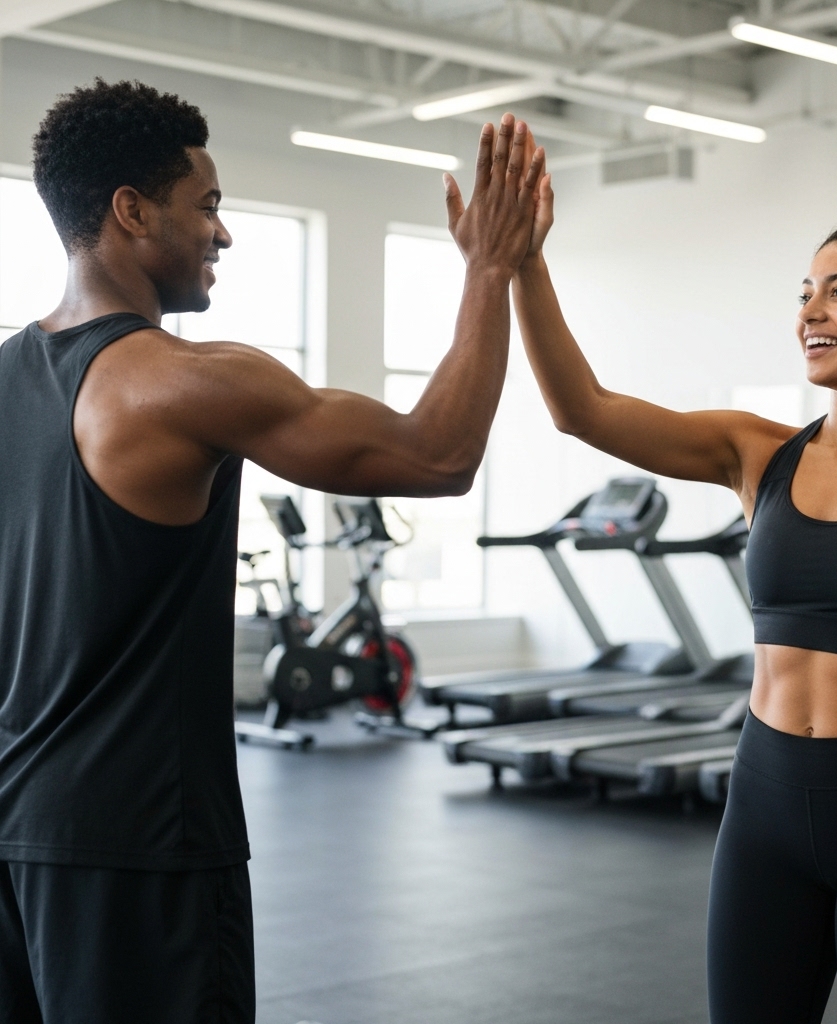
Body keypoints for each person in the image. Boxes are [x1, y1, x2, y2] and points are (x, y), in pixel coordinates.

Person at [0, 78, 544, 1023]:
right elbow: (440, 454)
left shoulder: (3, 377)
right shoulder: (182, 382)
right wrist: (489, 269)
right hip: (142, 842)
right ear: (132, 212)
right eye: (204, 205)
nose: (223, 232)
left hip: (14, 827)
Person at [511, 179, 837, 1020]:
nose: (811, 311)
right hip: (764, 808)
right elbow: (582, 410)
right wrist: (525, 262)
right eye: (805, 293)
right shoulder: (757, 453)